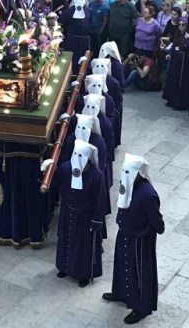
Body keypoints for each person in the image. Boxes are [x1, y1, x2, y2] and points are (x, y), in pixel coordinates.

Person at [102, 154, 164, 324]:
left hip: (139, 239)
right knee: (122, 263)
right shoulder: (129, 184)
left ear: (138, 173)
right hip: (125, 233)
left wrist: (154, 229)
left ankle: (141, 307)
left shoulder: (147, 194)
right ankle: (121, 292)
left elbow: (156, 220)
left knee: (139, 271)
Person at [43, 139, 106, 288]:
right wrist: (47, 171)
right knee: (66, 241)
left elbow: (99, 200)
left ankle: (83, 274)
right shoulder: (67, 167)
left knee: (83, 246)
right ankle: (64, 267)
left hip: (84, 217)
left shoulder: (96, 176)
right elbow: (55, 181)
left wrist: (96, 221)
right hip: (68, 212)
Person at [162, 17, 189, 111]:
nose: (181, 26)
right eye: (179, 24)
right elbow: (174, 45)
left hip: (185, 60)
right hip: (176, 59)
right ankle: (172, 99)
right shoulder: (177, 34)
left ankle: (181, 102)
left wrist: (188, 40)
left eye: (183, 25)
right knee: (173, 79)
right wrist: (169, 54)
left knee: (182, 81)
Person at [59, 0, 92, 74]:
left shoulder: (88, 11)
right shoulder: (69, 11)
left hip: (84, 40)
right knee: (72, 59)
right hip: (72, 41)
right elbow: (62, 23)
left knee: (84, 59)